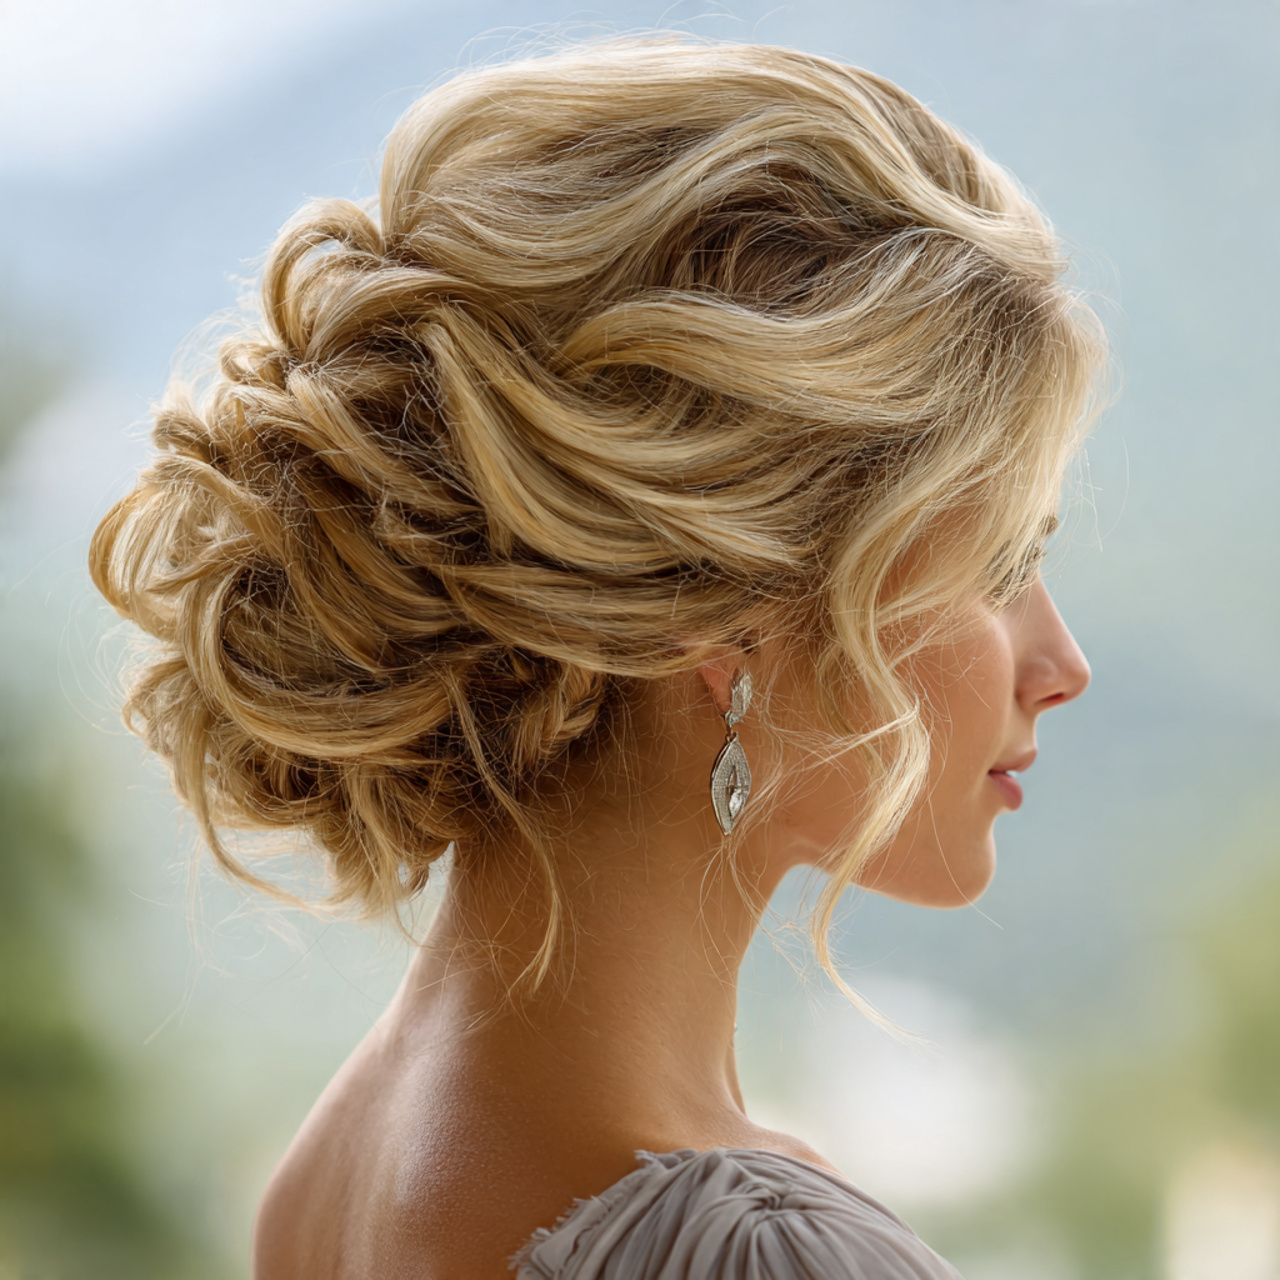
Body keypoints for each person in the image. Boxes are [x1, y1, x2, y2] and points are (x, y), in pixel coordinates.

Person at [90, 37, 1102, 1280]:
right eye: (997, 564)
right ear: (730, 609)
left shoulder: (327, 1180)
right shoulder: (758, 1255)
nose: (1060, 662)